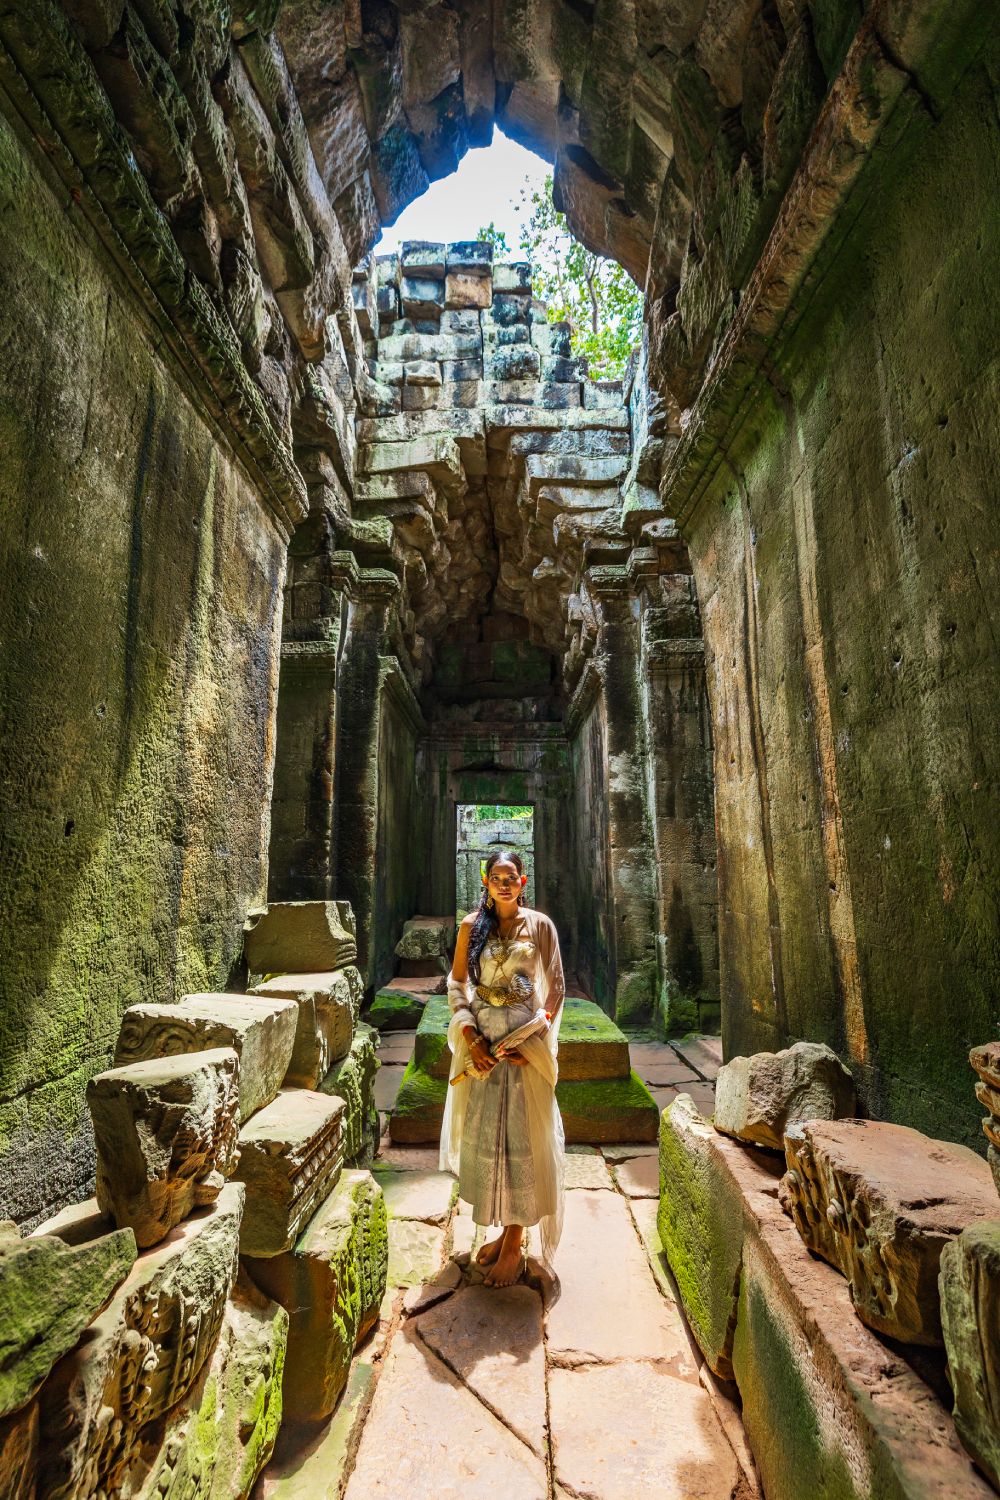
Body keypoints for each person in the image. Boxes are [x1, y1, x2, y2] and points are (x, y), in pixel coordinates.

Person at [439, 849, 566, 1287]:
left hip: (524, 1050)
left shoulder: (540, 926)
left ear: (523, 881)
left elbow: (555, 990)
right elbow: (457, 984)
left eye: (511, 877)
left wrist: (534, 1037)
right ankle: (499, 1228)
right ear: (487, 882)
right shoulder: (472, 927)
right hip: (484, 1051)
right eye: (496, 877)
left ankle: (515, 1242)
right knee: (489, 1139)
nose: (504, 884)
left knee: (523, 1141)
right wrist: (471, 1037)